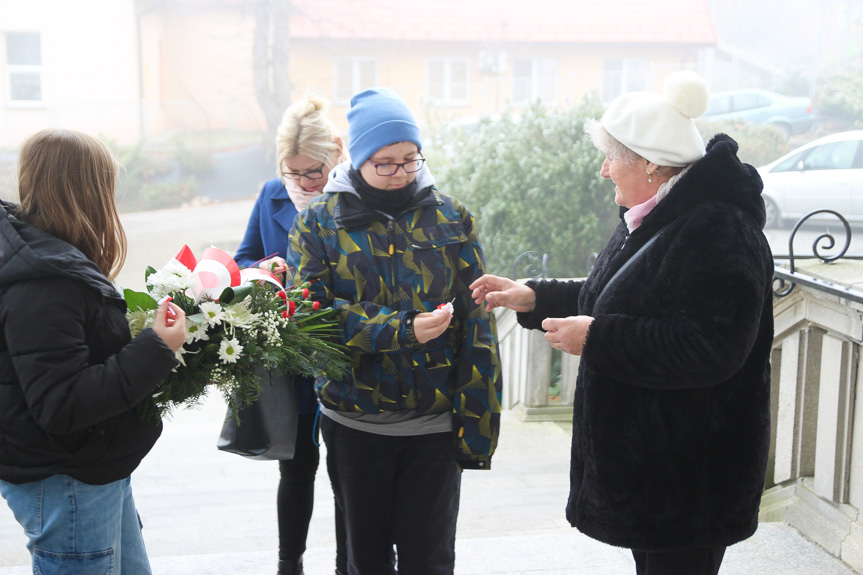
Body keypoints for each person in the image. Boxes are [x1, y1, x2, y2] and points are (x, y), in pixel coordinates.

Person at [470, 71, 774, 575]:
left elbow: (712, 347)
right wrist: (534, 298)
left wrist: (597, 337)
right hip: (659, 472)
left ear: (651, 164)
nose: (604, 171)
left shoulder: (718, 228)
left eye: (612, 157)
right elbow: (614, 295)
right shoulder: (660, 212)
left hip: (690, 477)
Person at [287, 87, 502, 575]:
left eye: (410, 159)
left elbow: (479, 324)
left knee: (431, 559)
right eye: (385, 162)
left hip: (434, 427)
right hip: (355, 423)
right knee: (364, 561)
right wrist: (404, 330)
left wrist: (479, 426)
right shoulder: (319, 224)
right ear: (359, 159)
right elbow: (311, 316)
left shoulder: (452, 217)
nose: (401, 172)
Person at [0, 129, 187, 575]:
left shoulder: (47, 260)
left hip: (90, 469)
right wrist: (157, 346)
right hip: (67, 479)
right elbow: (62, 404)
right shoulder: (47, 282)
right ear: (88, 191)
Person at [234, 95, 347, 575]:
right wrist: (263, 268)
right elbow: (242, 260)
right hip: (291, 357)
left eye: (313, 172)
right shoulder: (270, 194)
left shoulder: (357, 201)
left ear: (337, 153)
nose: (303, 182)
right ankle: (289, 563)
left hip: (344, 351)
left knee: (349, 473)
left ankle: (354, 560)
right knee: (296, 467)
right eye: (292, 172)